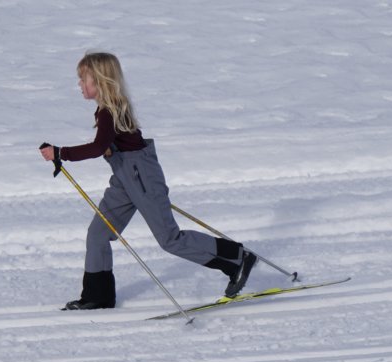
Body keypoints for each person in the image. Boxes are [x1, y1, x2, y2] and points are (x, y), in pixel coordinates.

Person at [40, 52, 257, 310]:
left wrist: (61, 152)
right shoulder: (105, 110)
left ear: (100, 80)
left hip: (142, 178)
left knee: (170, 239)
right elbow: (110, 144)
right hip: (124, 179)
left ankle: (237, 258)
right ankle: (97, 297)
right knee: (98, 233)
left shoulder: (110, 111)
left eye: (83, 79)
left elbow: (98, 147)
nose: (80, 84)